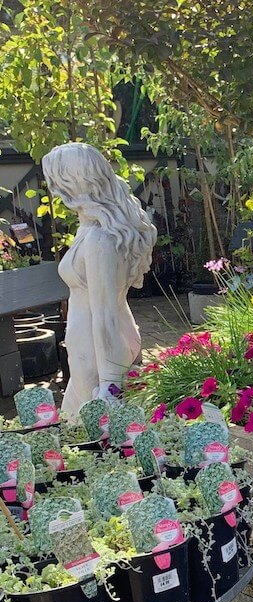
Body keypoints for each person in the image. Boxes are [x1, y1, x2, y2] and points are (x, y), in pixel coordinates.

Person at [41, 142, 156, 419]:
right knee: (73, 430)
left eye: (56, 181)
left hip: (99, 352)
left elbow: (104, 315)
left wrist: (109, 386)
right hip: (91, 346)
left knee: (92, 437)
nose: (54, 189)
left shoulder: (99, 240)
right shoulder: (90, 230)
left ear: (72, 183)